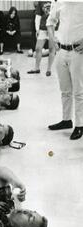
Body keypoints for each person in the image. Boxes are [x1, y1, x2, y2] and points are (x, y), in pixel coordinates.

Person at [47, 1, 83, 140]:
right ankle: (66, 120)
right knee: (65, 90)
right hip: (61, 50)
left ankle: (80, 125)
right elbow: (50, 22)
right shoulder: (59, 1)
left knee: (79, 91)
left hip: (78, 52)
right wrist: (52, 39)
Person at [27, 1, 55, 77]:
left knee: (51, 48)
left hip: (53, 28)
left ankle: (49, 69)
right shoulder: (41, 2)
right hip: (43, 28)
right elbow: (38, 16)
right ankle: (37, 68)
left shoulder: (56, 1)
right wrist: (37, 29)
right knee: (38, 48)